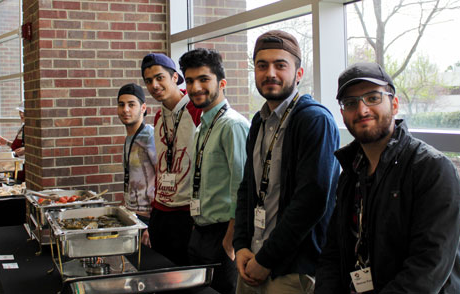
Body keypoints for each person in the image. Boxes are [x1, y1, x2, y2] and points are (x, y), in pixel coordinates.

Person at [315, 62, 460, 293]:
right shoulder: (351, 172)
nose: (362, 110)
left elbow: (427, 269)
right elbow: (334, 251)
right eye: (351, 103)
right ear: (343, 112)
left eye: (373, 98)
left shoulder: (432, 170)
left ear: (394, 104)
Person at [233, 30, 341, 294]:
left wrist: (267, 259)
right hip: (252, 259)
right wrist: (241, 246)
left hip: (291, 269)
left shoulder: (314, 120)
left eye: (280, 65)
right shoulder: (259, 121)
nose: (270, 73)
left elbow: (312, 201)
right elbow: (248, 187)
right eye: (262, 65)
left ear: (299, 74)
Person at [179, 48, 250, 294]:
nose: (195, 87)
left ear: (222, 83)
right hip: (200, 231)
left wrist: (230, 241)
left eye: (203, 79)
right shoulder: (203, 126)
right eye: (189, 81)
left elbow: (243, 186)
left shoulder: (233, 125)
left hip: (223, 236)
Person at [141, 53, 201, 266]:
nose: (154, 85)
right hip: (161, 212)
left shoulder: (196, 110)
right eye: (149, 81)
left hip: (187, 214)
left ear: (175, 77)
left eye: (160, 78)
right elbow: (161, 168)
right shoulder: (158, 117)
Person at [117, 83, 157, 246]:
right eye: (121, 104)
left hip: (149, 220)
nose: (125, 109)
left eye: (131, 104)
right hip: (133, 217)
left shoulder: (150, 136)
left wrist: (154, 224)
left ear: (143, 108)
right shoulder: (129, 138)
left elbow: (164, 179)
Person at [0, 102, 25, 181]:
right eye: (20, 112)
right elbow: (18, 146)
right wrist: (7, 143)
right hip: (18, 166)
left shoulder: (33, 128)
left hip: (25, 167)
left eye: (23, 112)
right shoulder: (22, 128)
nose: (21, 115)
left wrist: (26, 150)